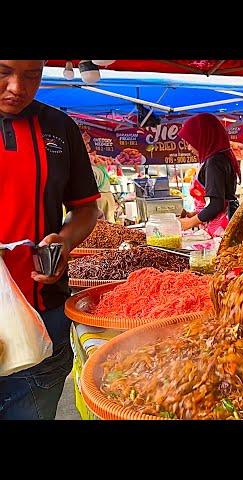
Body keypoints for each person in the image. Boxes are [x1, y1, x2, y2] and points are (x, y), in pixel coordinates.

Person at [0, 60, 100, 419]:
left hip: (43, 319)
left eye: (32, 75)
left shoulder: (59, 128)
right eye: (3, 72)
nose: (17, 87)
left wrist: (64, 242)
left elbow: (86, 209)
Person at [177, 113, 241, 237]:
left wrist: (189, 223)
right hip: (226, 222)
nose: (189, 148)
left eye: (190, 142)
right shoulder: (222, 157)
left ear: (202, 137)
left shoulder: (214, 162)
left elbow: (216, 205)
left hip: (222, 228)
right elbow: (216, 200)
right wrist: (196, 214)